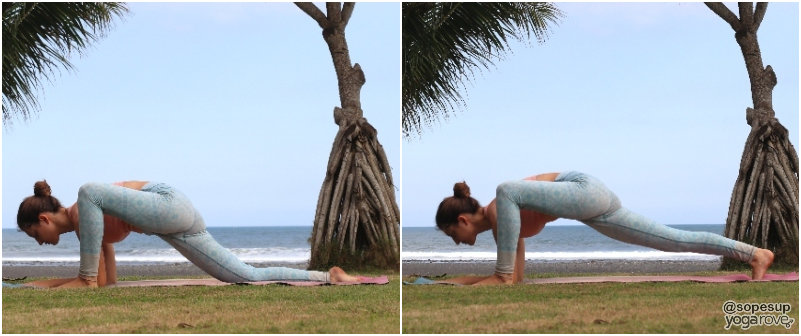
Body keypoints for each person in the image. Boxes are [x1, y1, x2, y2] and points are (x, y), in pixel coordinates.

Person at [434, 171, 775, 285]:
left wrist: (497, 276)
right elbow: (512, 282)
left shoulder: (499, 208)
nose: (456, 242)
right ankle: (754, 254)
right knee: (670, 239)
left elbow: (503, 277)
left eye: (452, 234)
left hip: (583, 188)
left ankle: (753, 254)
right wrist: (490, 279)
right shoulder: (502, 226)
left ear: (463, 220)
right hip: (595, 204)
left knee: (506, 188)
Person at [16, 180, 360, 288]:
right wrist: (70, 282)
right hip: (177, 223)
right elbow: (104, 285)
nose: (38, 241)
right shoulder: (86, 228)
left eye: (34, 234)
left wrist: (50, 285)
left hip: (166, 202)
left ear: (44, 218)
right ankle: (329, 276)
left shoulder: (82, 209)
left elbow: (88, 282)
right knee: (244, 276)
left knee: (89, 189)